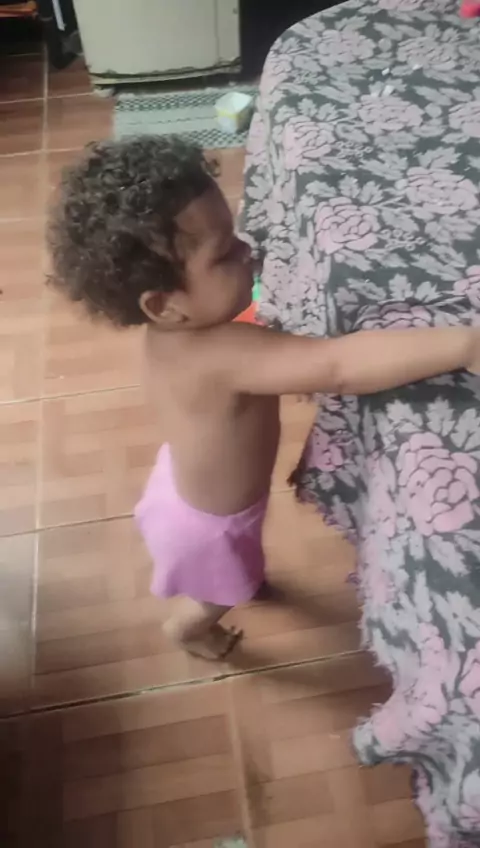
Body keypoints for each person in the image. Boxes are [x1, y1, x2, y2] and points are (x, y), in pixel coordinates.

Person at [47, 136, 480, 660]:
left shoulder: (168, 337)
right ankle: (188, 630)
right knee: (222, 592)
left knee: (237, 578)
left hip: (179, 490)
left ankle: (223, 595)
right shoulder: (221, 353)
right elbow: (338, 367)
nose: (248, 250)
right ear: (163, 304)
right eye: (225, 253)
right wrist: (465, 345)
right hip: (214, 525)